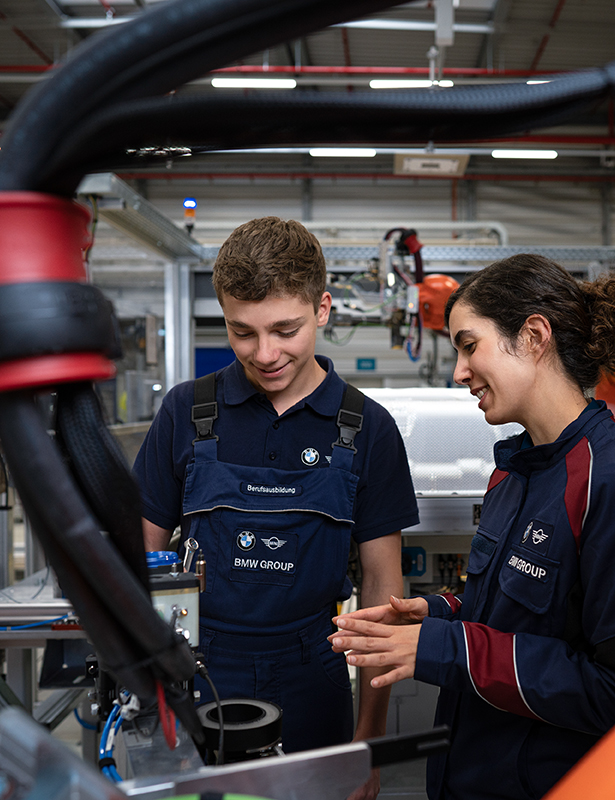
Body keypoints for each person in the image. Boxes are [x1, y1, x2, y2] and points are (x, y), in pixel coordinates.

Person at [328, 254, 615, 799]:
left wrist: (445, 648)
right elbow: (524, 618)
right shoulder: (514, 470)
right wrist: (438, 613)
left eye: (469, 345)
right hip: (469, 775)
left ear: (534, 336)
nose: (459, 371)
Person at [133, 217, 418, 798]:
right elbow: (143, 558)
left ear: (323, 309)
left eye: (284, 329)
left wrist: (367, 739)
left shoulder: (367, 428)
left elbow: (381, 584)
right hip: (199, 668)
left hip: (313, 669)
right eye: (243, 332)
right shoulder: (187, 411)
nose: (264, 354)